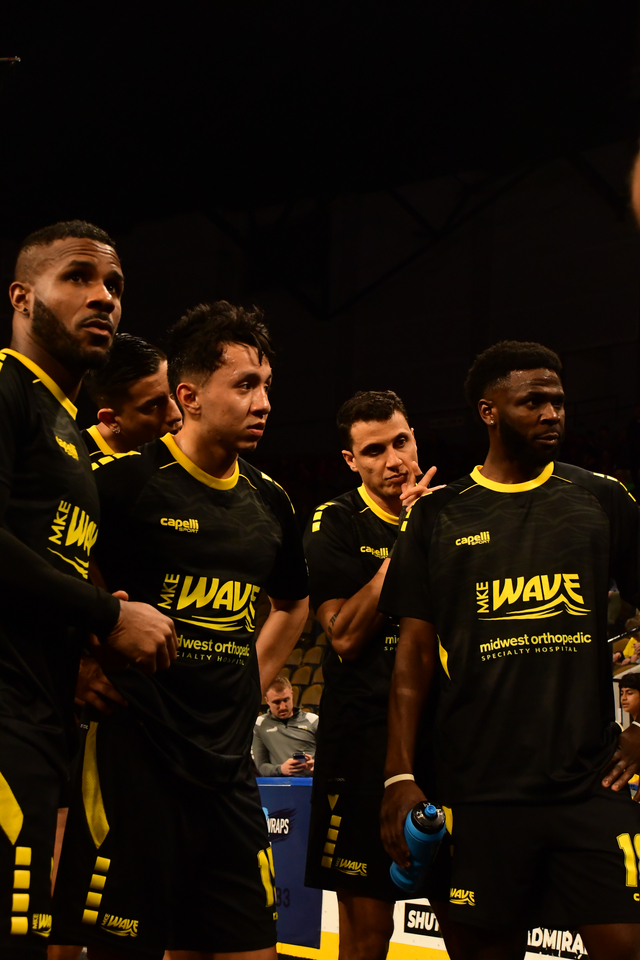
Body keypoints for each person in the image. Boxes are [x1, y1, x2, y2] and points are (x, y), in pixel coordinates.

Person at [52, 301, 309, 960]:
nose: (263, 403)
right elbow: (54, 584)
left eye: (266, 385)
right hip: (134, 763)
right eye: (245, 385)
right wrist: (79, 666)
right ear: (188, 396)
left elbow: (292, 604)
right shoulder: (117, 485)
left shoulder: (271, 500)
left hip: (228, 774)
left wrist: (251, 682)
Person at [380, 340, 640, 960]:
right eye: (533, 402)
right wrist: (399, 774)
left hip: (590, 784)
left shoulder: (601, 498)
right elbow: (413, 657)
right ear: (488, 411)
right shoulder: (438, 515)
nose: (552, 414)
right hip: (477, 792)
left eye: (559, 402)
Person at [0, 220, 177, 959]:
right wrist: (108, 615)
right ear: (22, 297)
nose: (103, 296)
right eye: (77, 277)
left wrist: (84, 648)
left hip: (41, 714)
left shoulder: (69, 430)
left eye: (114, 285)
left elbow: (45, 568)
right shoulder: (5, 388)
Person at [303, 390, 445, 960]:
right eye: (374, 450)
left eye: (401, 442)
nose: (394, 461)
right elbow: (343, 636)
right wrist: (407, 543)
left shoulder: (454, 514)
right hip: (360, 746)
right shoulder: (335, 520)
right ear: (351, 460)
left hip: (445, 742)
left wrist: (429, 525)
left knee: (471, 922)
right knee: (367, 936)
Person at [82, 332, 182, 464]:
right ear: (110, 419)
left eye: (173, 393)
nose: (176, 415)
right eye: (153, 406)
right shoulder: (77, 466)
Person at [252, 676, 317, 776]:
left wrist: (317, 765)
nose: (282, 707)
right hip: (280, 783)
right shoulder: (260, 725)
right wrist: (281, 769)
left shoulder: (314, 721)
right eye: (276, 702)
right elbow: (260, 767)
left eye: (286, 700)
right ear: (267, 700)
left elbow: (332, 759)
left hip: (312, 781)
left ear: (292, 695)